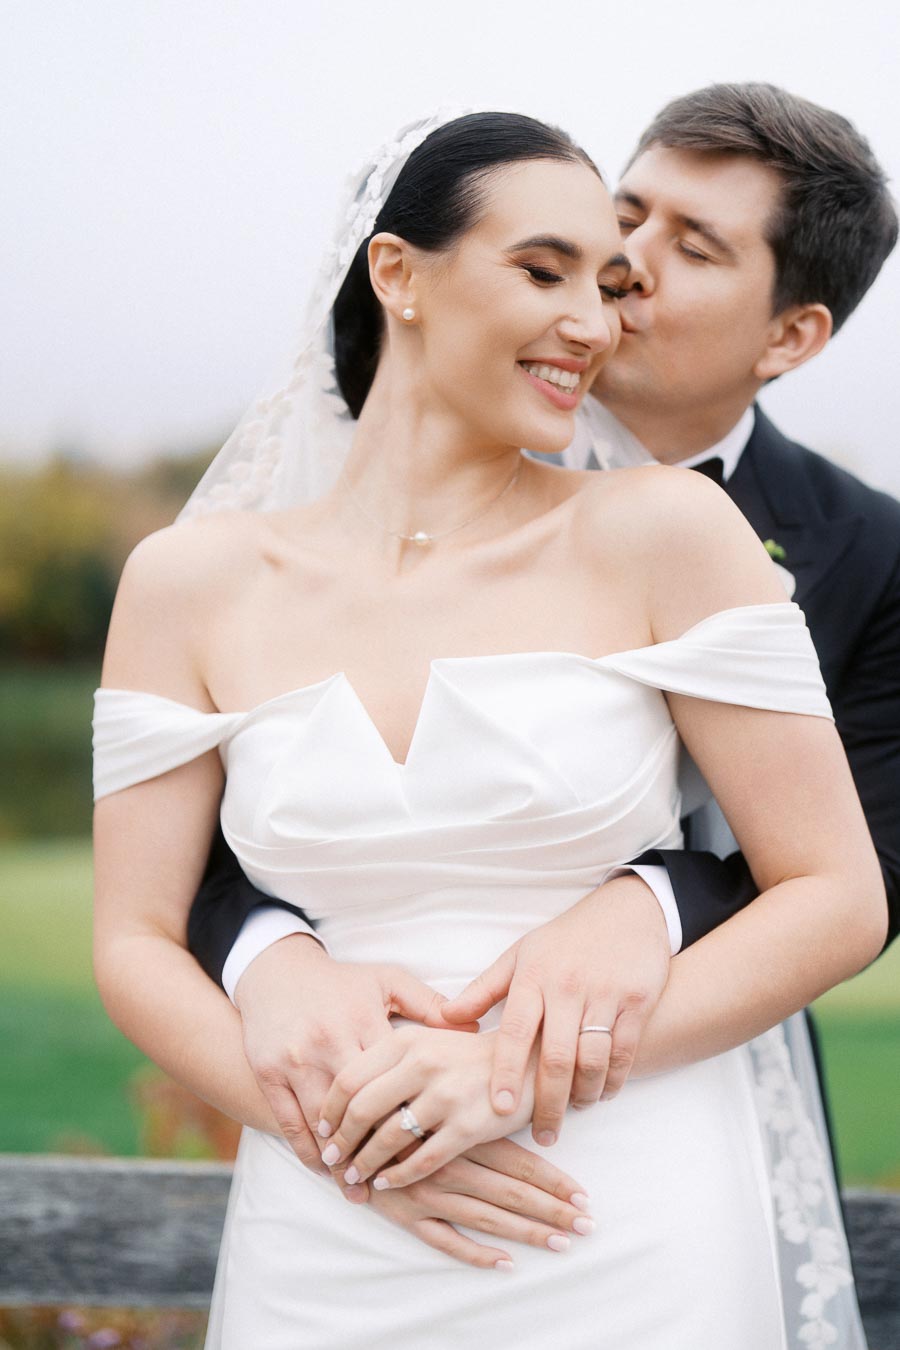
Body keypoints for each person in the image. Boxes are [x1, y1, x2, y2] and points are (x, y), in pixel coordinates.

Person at [92, 110, 887, 1348]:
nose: (597, 320)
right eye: (543, 270)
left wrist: (500, 1078)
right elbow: (136, 935)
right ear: (397, 273)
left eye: (611, 286)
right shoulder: (186, 582)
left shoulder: (666, 533)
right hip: (333, 1208)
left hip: (612, 1191)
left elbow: (838, 895)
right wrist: (352, 1135)